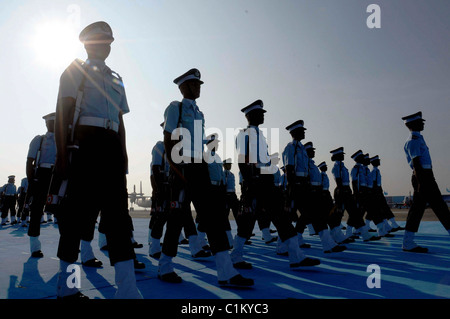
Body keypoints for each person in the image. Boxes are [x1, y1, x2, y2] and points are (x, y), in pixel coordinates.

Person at [54, 21, 141, 299]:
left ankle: (127, 291)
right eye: (101, 41)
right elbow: (63, 114)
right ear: (87, 44)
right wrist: (62, 157)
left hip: (111, 147)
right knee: (75, 219)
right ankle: (68, 289)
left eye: (109, 41)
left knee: (118, 219)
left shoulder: (117, 78)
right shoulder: (74, 70)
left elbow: (120, 121)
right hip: (84, 144)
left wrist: (124, 158)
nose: (107, 45)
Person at [159, 68, 253, 286]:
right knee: (176, 220)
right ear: (183, 87)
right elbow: (168, 140)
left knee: (214, 219)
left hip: (199, 167)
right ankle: (165, 266)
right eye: (194, 84)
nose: (198, 88)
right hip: (182, 168)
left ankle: (226, 273)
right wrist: (177, 170)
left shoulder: (199, 113)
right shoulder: (176, 108)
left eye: (199, 84)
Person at [233, 102, 320, 269]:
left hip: (265, 182)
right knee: (248, 221)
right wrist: (249, 183)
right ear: (250, 116)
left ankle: (296, 256)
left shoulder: (260, 135)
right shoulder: (244, 134)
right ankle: (235, 255)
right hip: (254, 181)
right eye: (260, 113)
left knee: (282, 218)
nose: (263, 115)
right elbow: (242, 161)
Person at [401, 111, 450, 252]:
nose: (423, 123)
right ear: (412, 124)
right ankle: (407, 242)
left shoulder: (418, 138)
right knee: (429, 208)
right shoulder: (413, 140)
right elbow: (416, 163)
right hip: (422, 177)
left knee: (427, 208)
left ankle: (408, 241)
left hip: (426, 176)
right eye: (420, 121)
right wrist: (421, 183)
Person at [25, 112, 57, 258]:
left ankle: (68, 244)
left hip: (57, 175)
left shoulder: (63, 140)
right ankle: (35, 247)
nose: (54, 126)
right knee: (37, 211)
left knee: (62, 211)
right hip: (42, 175)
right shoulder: (40, 139)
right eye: (51, 123)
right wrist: (31, 180)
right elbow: (30, 160)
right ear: (46, 124)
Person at [330, 147, 380, 242]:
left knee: (355, 213)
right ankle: (335, 235)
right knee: (338, 214)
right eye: (341, 155)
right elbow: (339, 181)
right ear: (337, 156)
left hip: (346, 190)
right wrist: (346, 191)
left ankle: (365, 235)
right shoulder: (336, 167)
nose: (343, 156)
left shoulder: (342, 166)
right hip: (341, 191)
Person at [369, 155, 404, 232]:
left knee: (385, 209)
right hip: (376, 193)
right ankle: (388, 226)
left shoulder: (377, 171)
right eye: (378, 160)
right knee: (382, 210)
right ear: (374, 162)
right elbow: (374, 184)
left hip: (379, 192)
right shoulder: (373, 172)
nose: (379, 161)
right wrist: (377, 193)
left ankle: (391, 225)